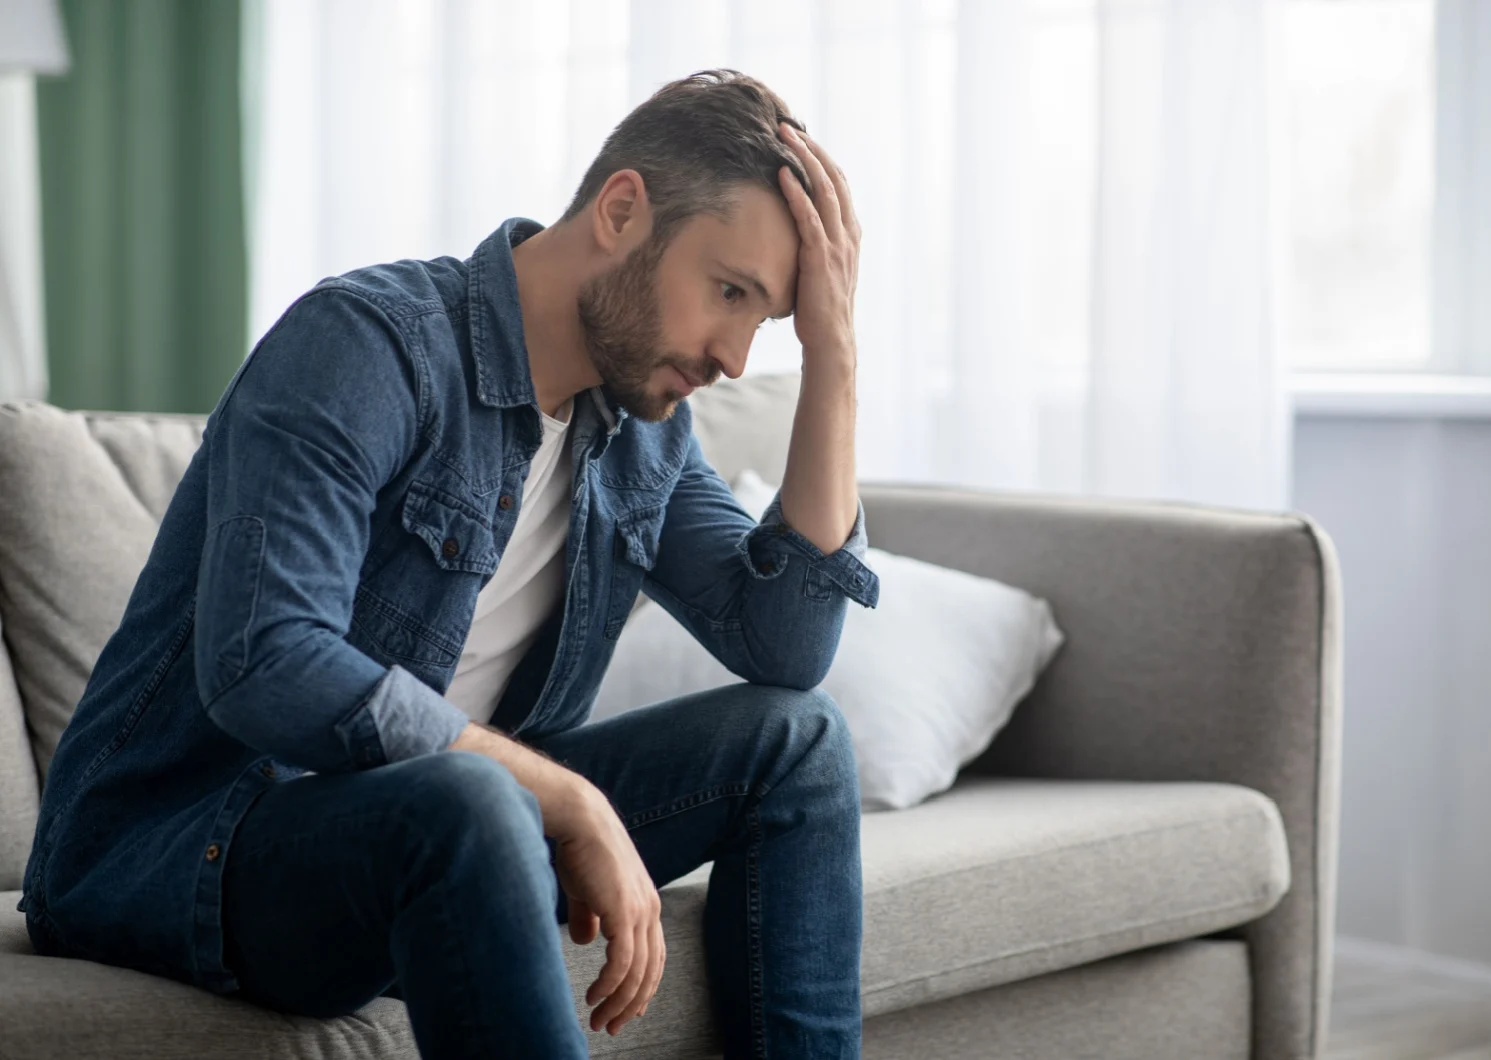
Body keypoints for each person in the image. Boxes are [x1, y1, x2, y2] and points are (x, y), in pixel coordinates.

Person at [16, 68, 879, 1059]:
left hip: (451, 847)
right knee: (476, 796)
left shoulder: (642, 435)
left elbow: (788, 644)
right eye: (729, 291)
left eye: (765, 320)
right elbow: (267, 660)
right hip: (183, 850)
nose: (734, 354)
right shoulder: (368, 343)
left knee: (798, 740)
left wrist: (836, 357)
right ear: (621, 209)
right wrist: (566, 798)